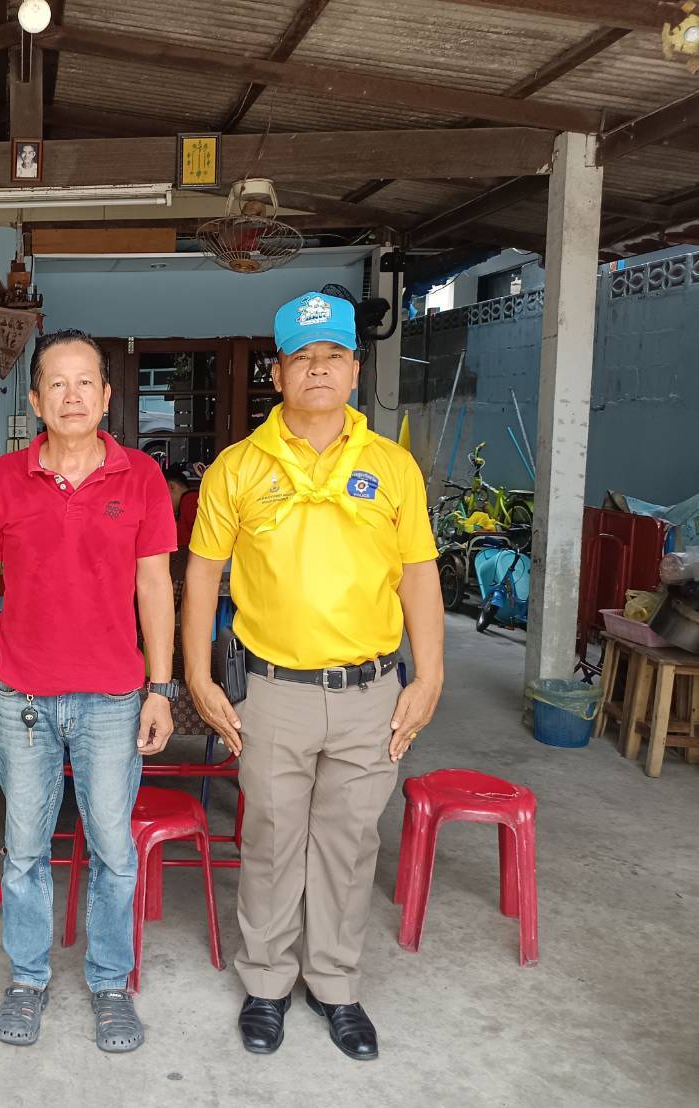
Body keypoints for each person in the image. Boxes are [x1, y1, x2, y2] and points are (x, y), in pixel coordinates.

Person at [180, 291, 443, 1062]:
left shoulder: (391, 467)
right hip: (273, 692)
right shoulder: (237, 468)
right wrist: (196, 675)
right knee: (269, 839)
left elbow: (418, 576)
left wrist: (428, 677)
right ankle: (266, 982)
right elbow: (201, 576)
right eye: (302, 358)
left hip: (370, 694)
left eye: (332, 357)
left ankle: (334, 984)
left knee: (349, 842)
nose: (317, 370)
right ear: (278, 373)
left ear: (354, 370)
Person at [0, 329, 179, 1054]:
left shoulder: (142, 477)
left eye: (85, 382)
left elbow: (155, 586)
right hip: (23, 696)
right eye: (57, 383)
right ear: (35, 399)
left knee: (113, 849)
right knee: (23, 848)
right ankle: (27, 977)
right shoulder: (0, 480)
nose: (72, 396)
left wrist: (161, 688)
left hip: (113, 698)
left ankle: (110, 984)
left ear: (106, 397)